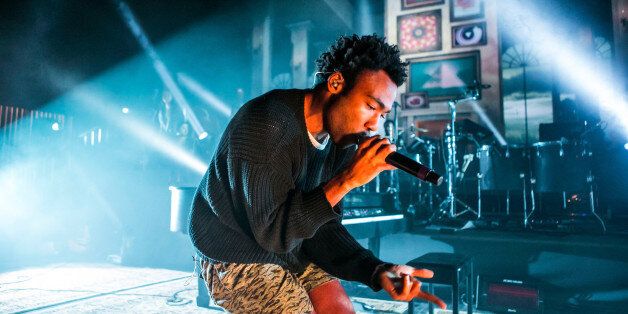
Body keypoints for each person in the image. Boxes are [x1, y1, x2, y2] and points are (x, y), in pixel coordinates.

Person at [188, 34, 446, 313]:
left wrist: (376, 270)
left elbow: (321, 226)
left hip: (288, 244)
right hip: (235, 251)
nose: (374, 125)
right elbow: (272, 233)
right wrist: (347, 180)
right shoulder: (267, 124)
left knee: (340, 310)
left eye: (382, 115)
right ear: (336, 83)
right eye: (371, 106)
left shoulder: (340, 140)